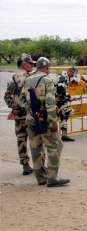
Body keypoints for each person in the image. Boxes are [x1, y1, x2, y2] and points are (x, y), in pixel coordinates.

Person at [20, 57, 70, 187]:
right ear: (47, 68)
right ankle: (52, 179)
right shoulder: (47, 80)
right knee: (55, 146)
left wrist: (30, 112)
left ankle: (41, 178)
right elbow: (50, 102)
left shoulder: (27, 80)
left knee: (36, 148)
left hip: (31, 120)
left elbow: (21, 101)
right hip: (45, 120)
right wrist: (53, 121)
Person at [4, 53, 35, 175]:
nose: (32, 65)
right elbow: (7, 96)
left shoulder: (16, 78)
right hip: (27, 115)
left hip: (22, 115)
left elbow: (7, 97)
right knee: (31, 140)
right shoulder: (21, 78)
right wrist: (15, 108)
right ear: (23, 64)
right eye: (30, 63)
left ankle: (26, 165)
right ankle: (33, 165)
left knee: (23, 140)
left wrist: (14, 108)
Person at [56, 67, 77, 141]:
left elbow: (63, 90)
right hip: (59, 102)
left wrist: (68, 97)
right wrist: (66, 97)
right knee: (68, 112)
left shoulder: (65, 77)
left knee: (64, 117)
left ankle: (64, 135)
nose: (73, 75)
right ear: (69, 71)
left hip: (61, 101)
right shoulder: (63, 77)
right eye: (73, 73)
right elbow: (60, 90)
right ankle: (62, 135)